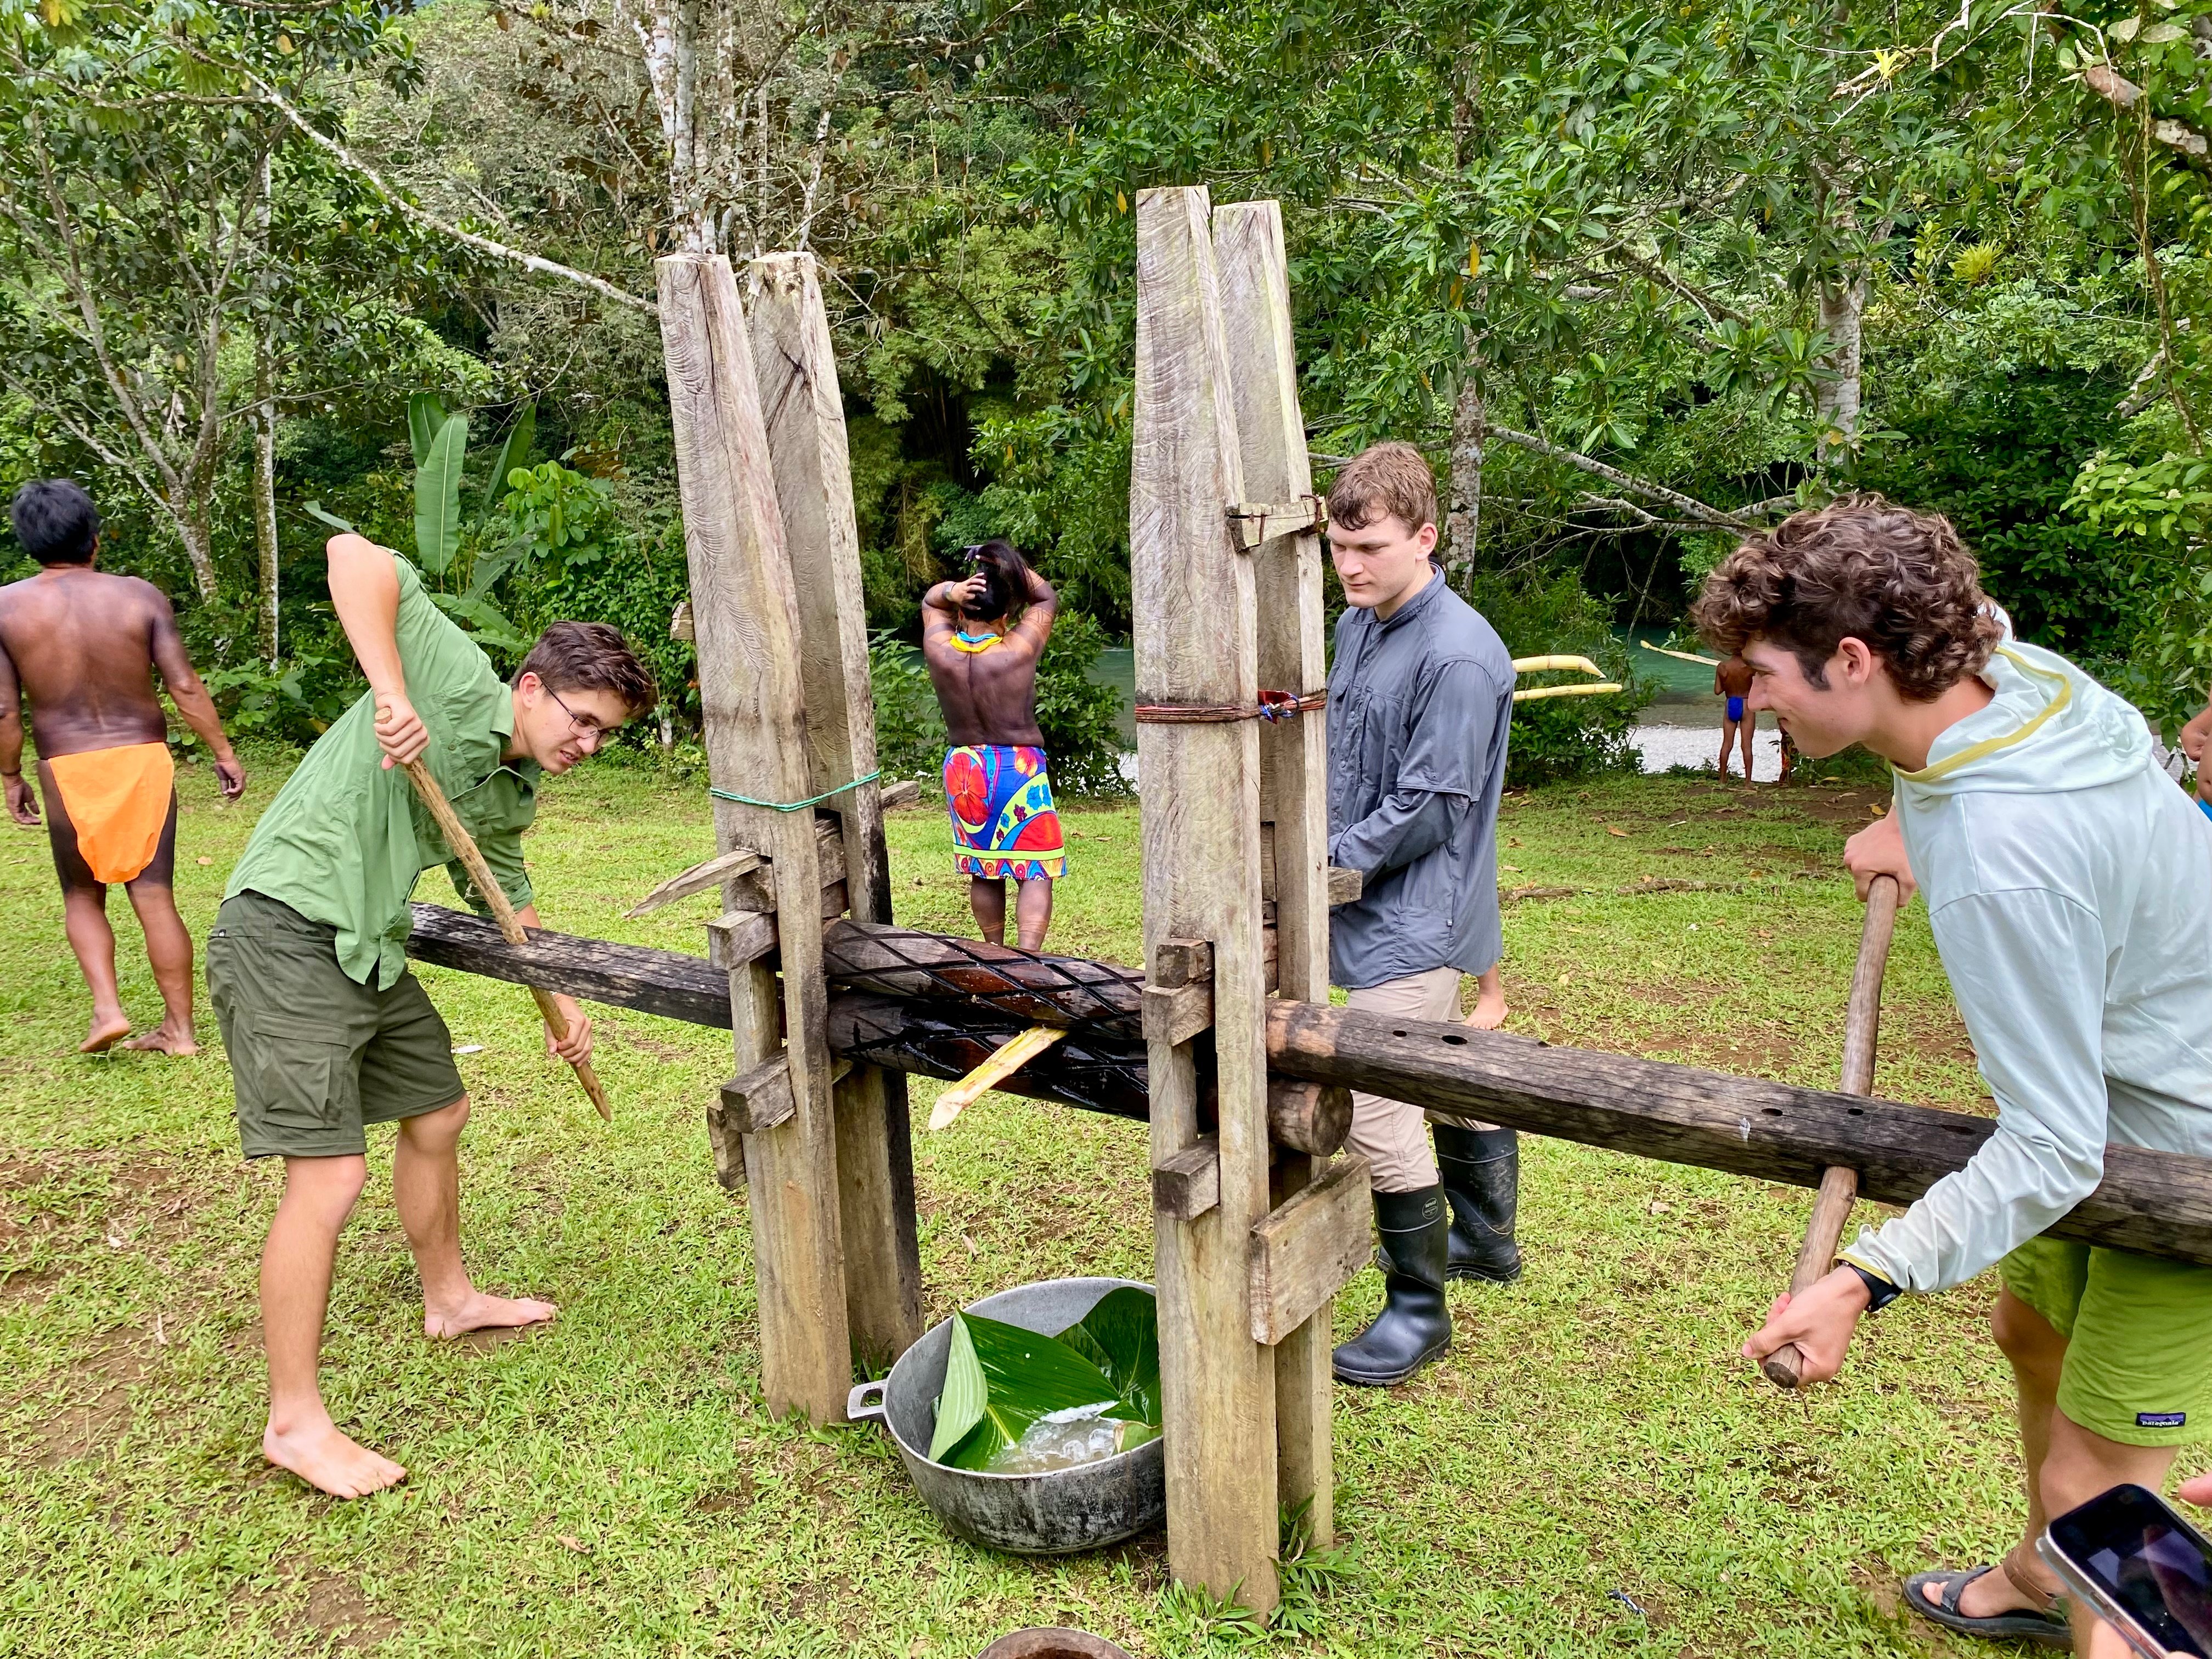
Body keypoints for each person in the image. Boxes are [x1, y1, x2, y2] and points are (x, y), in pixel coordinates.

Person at [1699, 496, 2212, 1652]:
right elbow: (1969, 632)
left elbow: (2050, 1149)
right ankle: (2040, 1576)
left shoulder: (2000, 864)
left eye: (1761, 675)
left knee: (2102, 1489)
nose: (1751, 698)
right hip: (2121, 1083)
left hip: (2189, 1146)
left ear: (1852, 659)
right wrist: (1907, 811)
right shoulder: (1988, 659)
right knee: (2030, 1335)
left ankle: (2120, 1615)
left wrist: (1860, 1281)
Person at [212, 531, 656, 1500]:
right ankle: (294, 1419)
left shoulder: (512, 781)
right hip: (286, 926)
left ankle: (450, 1298)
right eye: (580, 719)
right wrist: (389, 689)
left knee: (439, 1109)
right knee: (328, 1172)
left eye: (604, 733)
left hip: (368, 943)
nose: (586, 742)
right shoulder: (449, 671)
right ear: (531, 688)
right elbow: (348, 555)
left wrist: (558, 998)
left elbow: (503, 887)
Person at [1321, 442, 1521, 1389]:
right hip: (1373, 900)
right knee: (1448, 1073)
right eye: (1338, 545)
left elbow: (1433, 803)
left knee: (1376, 1091)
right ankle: (1485, 1240)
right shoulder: (1360, 622)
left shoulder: (1459, 654)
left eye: (1369, 546)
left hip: (1419, 909)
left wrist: (1332, 864)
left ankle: (1417, 1308)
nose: (1351, 564)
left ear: (1426, 538)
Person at [0, 479, 244, 1054]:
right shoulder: (139, 596)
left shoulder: (7, 607)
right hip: (143, 761)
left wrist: (11, 776)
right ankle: (180, 1031)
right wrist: (223, 752)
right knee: (154, 893)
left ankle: (108, 1010)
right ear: (94, 538)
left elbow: (5, 709)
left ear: (29, 543)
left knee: (82, 894)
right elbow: (183, 684)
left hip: (67, 766)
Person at [919, 539, 1065, 952]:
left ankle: (994, 952)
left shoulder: (939, 649)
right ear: (1006, 616)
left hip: (965, 767)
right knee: (1034, 870)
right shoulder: (1016, 651)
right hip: (1014, 765)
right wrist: (1007, 562)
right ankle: (1027, 959)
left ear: (962, 610)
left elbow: (932, 603)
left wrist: (953, 589)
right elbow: (1045, 595)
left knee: (984, 869)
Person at [1714, 653, 1756, 781]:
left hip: (1731, 703)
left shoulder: (1723, 667)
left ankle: (1722, 779)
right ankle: (1748, 782)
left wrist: (1728, 684)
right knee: (1747, 745)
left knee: (1727, 744)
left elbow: (1717, 691)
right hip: (1746, 704)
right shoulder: (1750, 667)